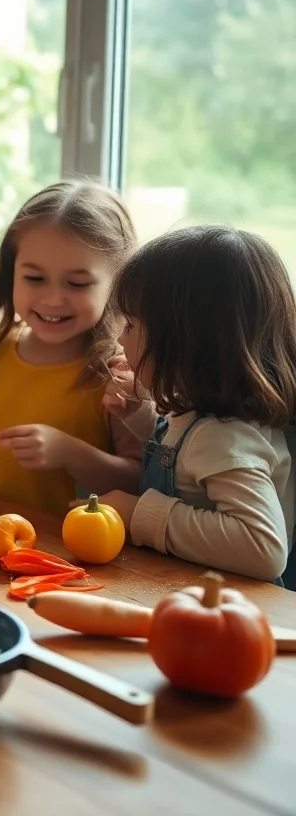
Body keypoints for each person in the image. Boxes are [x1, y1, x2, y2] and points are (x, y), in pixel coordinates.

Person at [0, 181, 145, 515]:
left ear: (116, 284)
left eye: (77, 283)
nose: (53, 299)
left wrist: (72, 454)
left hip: (68, 556)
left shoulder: (118, 376)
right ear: (11, 273)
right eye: (34, 278)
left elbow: (140, 484)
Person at [98, 226, 296, 583]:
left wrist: (138, 515)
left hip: (235, 614)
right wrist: (141, 408)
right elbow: (185, 465)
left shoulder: (221, 435)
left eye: (129, 324)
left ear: (184, 342)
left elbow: (264, 548)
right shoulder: (198, 416)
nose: (118, 337)